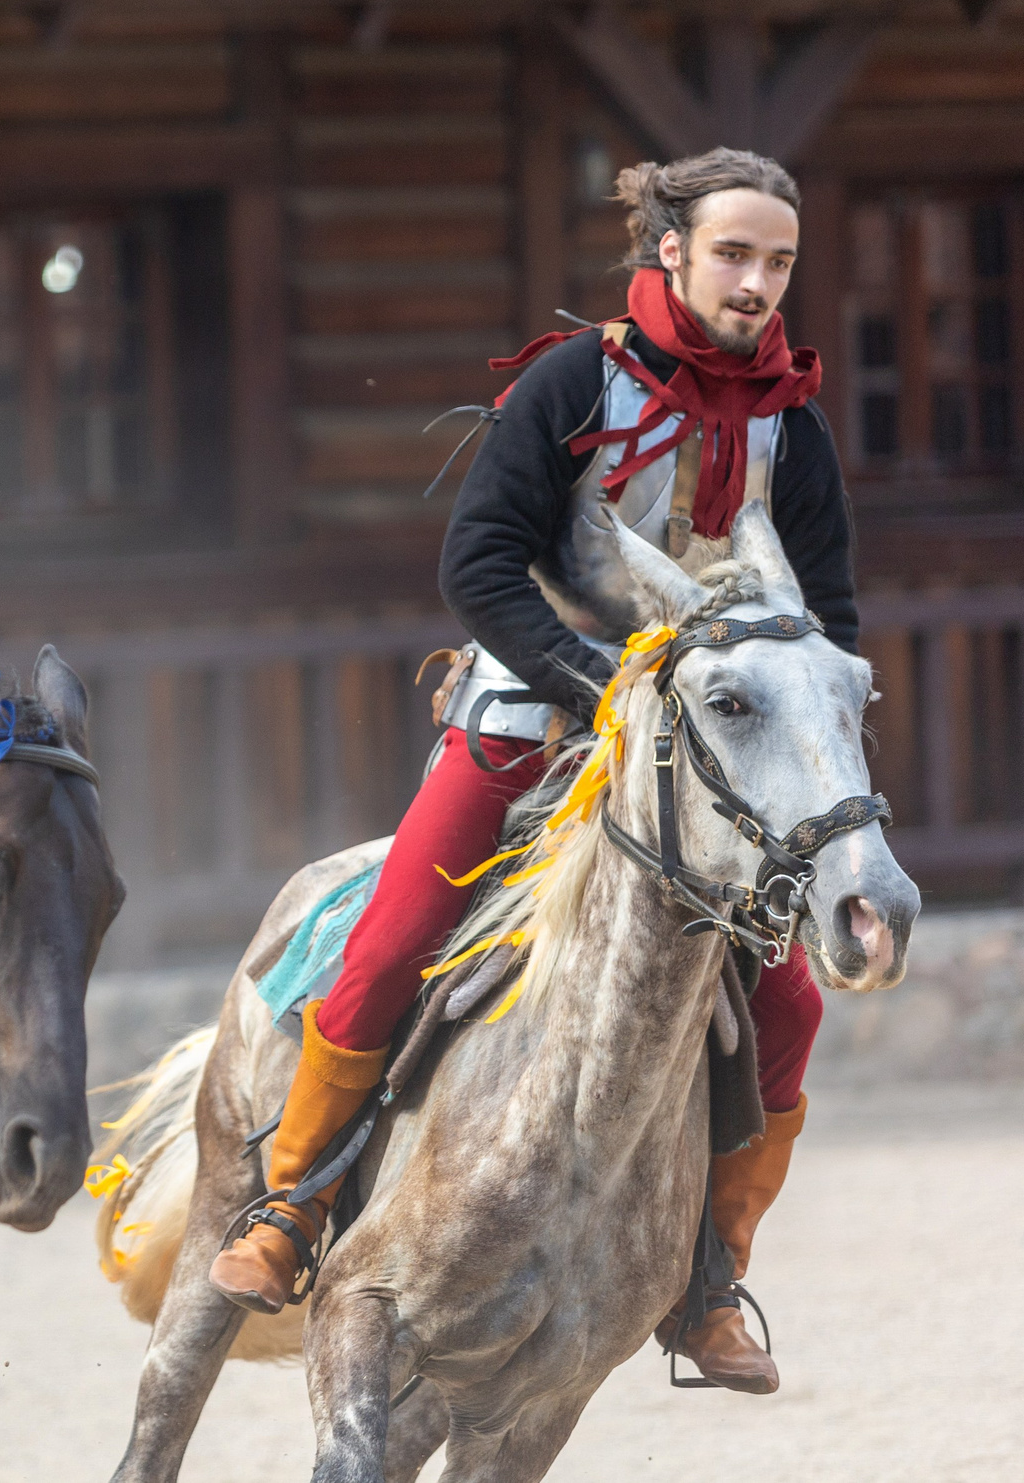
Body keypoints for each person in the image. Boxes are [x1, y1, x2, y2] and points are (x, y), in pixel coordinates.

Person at [207, 150, 856, 1395]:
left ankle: (710, 1276)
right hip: (537, 715)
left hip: (711, 765)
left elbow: (824, 618)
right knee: (395, 937)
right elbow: (479, 562)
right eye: (733, 253)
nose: (757, 282)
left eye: (777, 261)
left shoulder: (796, 425)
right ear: (669, 250)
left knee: (790, 1006)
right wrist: (590, 686)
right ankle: (288, 1205)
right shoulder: (573, 381)